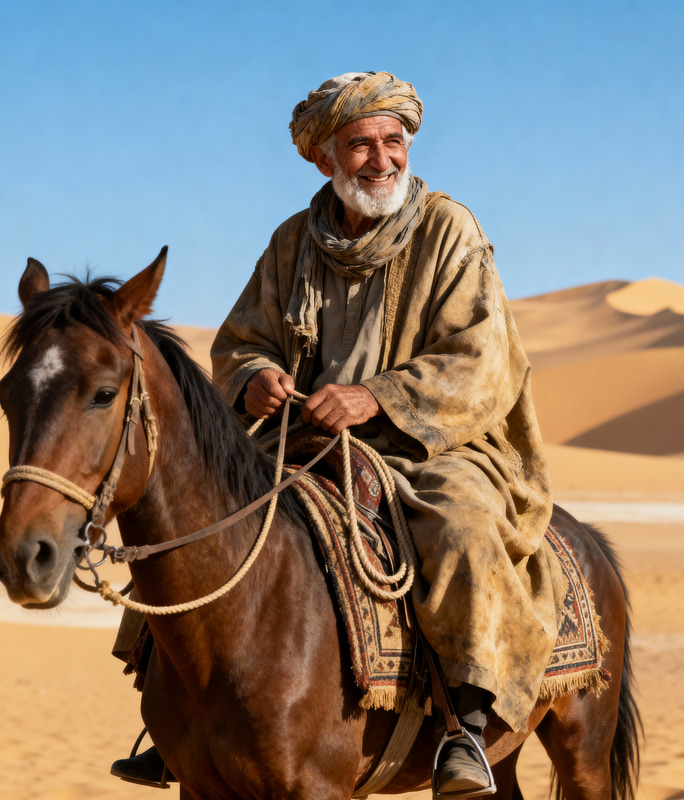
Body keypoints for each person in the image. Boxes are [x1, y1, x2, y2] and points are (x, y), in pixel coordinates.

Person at [113, 71, 560, 796]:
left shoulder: (450, 230)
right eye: (360, 145)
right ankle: (175, 719)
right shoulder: (294, 241)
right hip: (304, 443)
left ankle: (467, 727)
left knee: (460, 525)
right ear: (322, 158)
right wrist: (253, 379)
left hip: (439, 446)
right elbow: (239, 343)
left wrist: (375, 397)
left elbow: (482, 359)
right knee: (196, 523)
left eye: (394, 141)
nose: (381, 159)